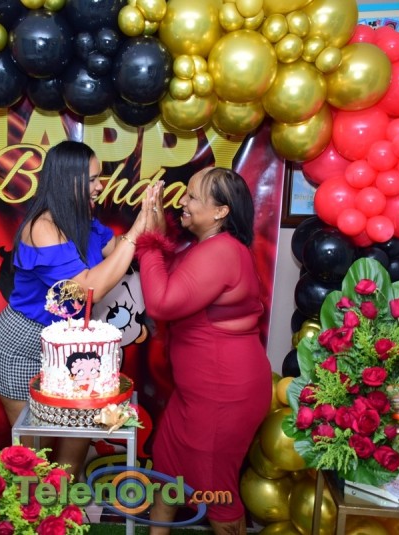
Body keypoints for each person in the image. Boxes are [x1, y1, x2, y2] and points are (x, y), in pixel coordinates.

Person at [0, 140, 146, 476]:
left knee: (83, 426)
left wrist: (147, 226)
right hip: (20, 347)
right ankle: (39, 506)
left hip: (68, 347)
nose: (99, 186)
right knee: (34, 451)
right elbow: (86, 290)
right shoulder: (42, 227)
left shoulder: (83, 220)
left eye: (99, 178)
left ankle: (65, 497)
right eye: (92, 180)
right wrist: (135, 234)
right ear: (66, 180)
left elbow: (118, 249)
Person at [136, 167, 272, 534]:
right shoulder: (212, 248)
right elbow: (176, 288)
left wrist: (150, 242)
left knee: (216, 493)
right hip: (198, 394)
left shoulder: (221, 251)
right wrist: (158, 241)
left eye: (193, 197)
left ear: (221, 211)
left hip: (222, 397)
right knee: (167, 471)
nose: (182, 201)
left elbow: (162, 303)